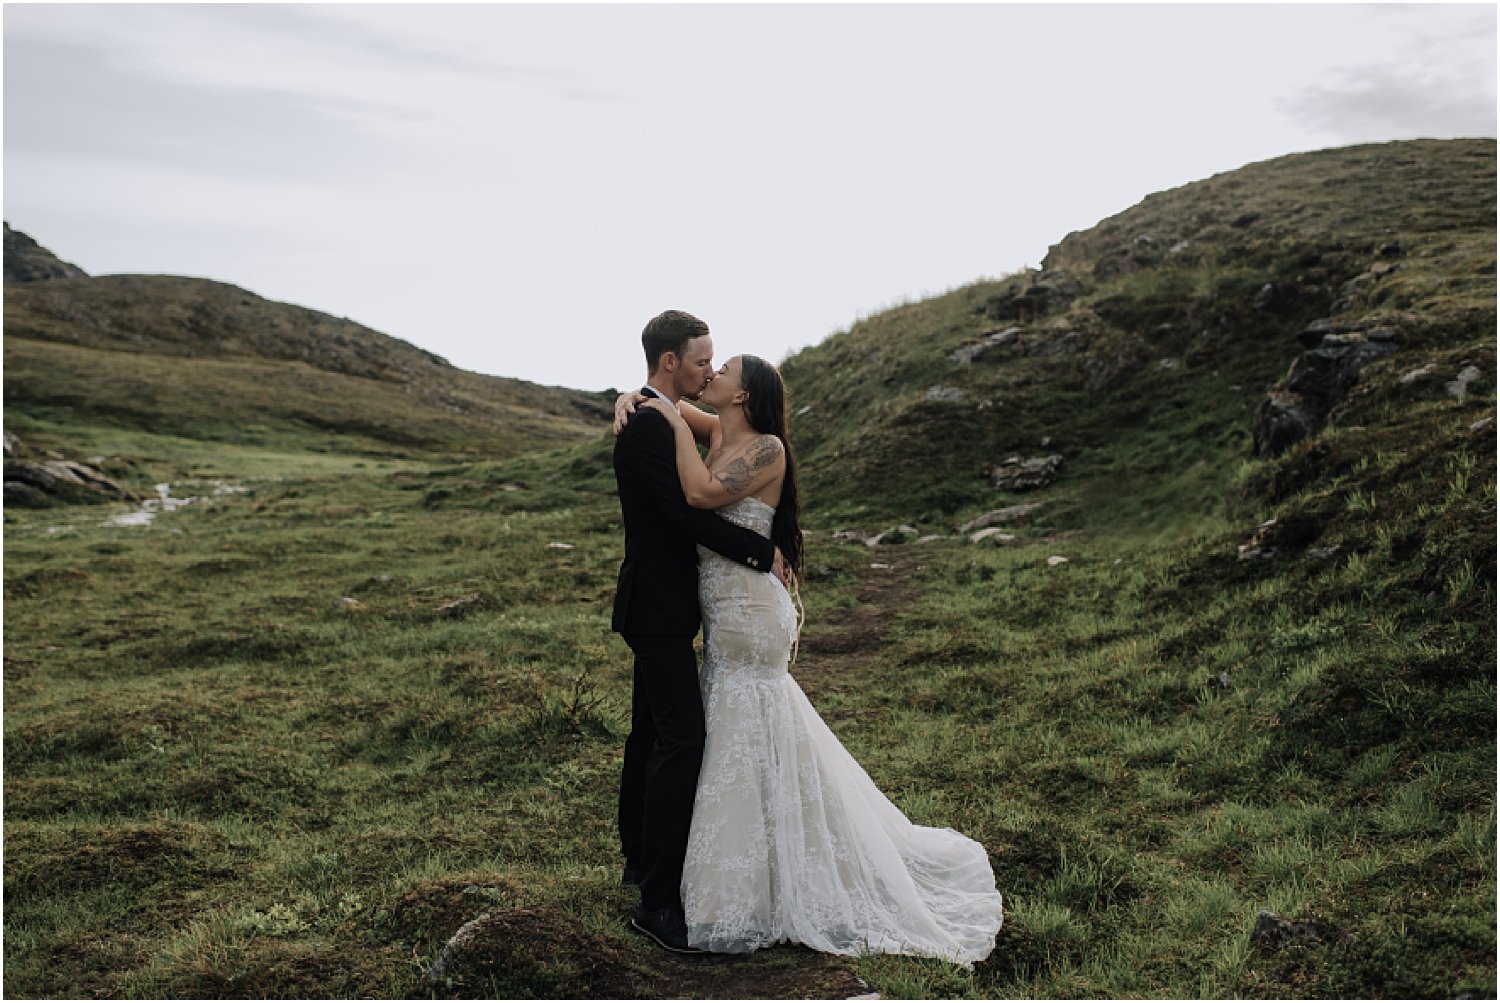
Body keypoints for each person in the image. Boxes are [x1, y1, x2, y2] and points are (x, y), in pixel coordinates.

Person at [623, 353, 1004, 966]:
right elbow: (663, 403)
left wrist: (665, 421)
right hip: (722, 610)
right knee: (728, 725)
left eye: (724, 371)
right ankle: (742, 867)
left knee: (744, 718)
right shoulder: (719, 430)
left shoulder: (766, 449)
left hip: (749, 611)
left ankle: (752, 881)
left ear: (745, 396)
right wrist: (634, 400)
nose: (712, 373)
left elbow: (695, 492)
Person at [611, 310, 790, 955]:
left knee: (654, 735)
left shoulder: (671, 416)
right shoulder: (649, 428)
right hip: (660, 609)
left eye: (717, 362)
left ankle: (642, 862)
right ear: (669, 363)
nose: (708, 369)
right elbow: (686, 515)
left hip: (691, 609)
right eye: (699, 360)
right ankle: (657, 901)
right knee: (678, 742)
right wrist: (756, 549)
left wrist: (642, 398)